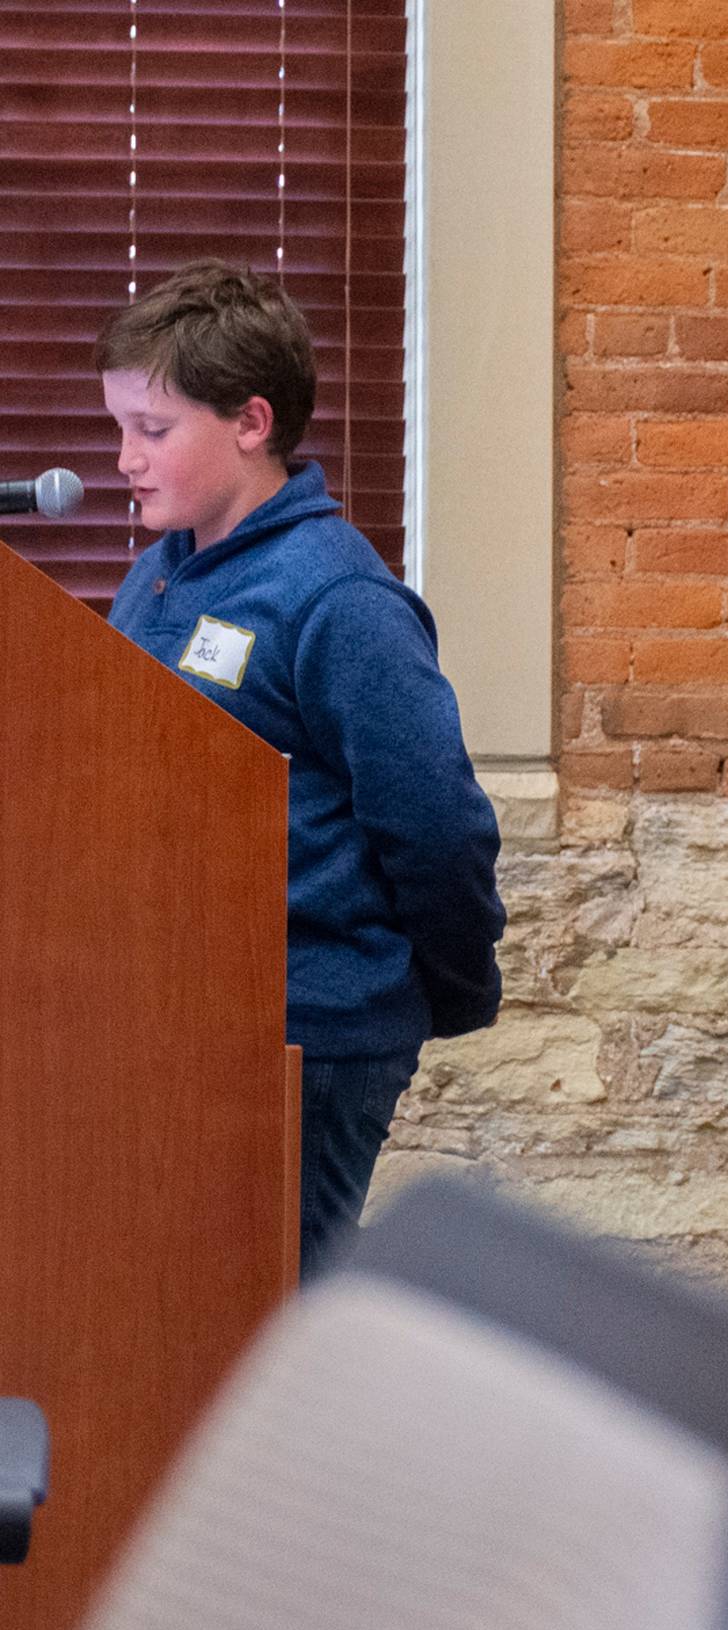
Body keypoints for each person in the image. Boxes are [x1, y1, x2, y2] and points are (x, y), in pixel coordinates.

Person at [96, 261, 506, 1279]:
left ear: (251, 421)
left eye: (153, 430)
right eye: (118, 429)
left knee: (279, 1307)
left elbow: (435, 824)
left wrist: (435, 991)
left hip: (309, 1033)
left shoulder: (338, 599)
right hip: (187, 1009)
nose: (123, 460)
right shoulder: (163, 570)